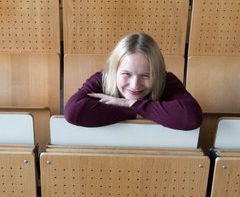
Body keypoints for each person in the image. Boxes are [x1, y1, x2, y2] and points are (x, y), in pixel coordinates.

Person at [64, 33, 202, 131]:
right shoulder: (103, 78)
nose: (135, 84)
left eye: (146, 76)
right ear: (114, 70)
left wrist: (130, 103)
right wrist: (135, 112)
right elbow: (73, 112)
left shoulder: (166, 80)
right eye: (126, 74)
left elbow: (191, 117)